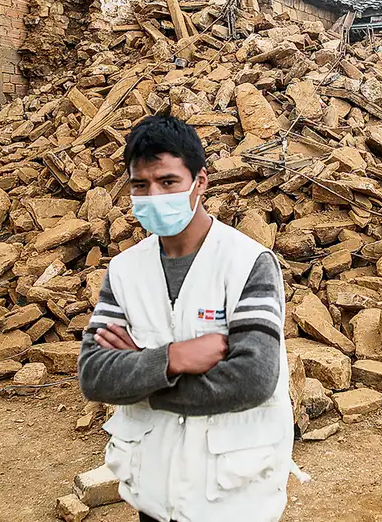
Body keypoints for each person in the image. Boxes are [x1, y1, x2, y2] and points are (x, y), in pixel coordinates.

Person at [78, 114, 293, 522]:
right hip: (154, 495)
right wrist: (174, 358)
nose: (153, 194)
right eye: (140, 185)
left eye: (168, 181)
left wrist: (142, 376)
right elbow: (94, 375)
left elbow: (252, 379)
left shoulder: (247, 263)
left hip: (233, 499)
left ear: (201, 182)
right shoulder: (125, 271)